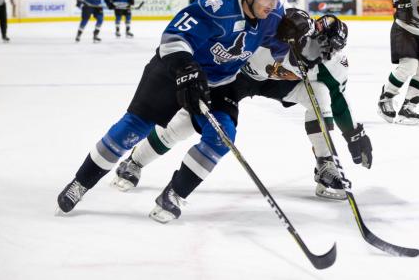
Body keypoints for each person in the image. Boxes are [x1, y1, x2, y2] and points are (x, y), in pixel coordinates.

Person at [56, 0, 290, 220]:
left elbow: (283, 51)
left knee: (222, 137)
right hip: (175, 71)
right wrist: (186, 69)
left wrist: (301, 41)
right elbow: (173, 37)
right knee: (134, 128)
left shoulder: (274, 16)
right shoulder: (217, 7)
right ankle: (81, 182)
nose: (272, 4)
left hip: (220, 83)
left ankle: (174, 195)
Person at [112, 11, 373, 202]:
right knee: (186, 122)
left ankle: (325, 164)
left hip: (276, 85)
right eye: (313, 44)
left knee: (320, 94)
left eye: (324, 51)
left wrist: (354, 135)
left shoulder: (333, 64)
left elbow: (338, 101)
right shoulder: (282, 29)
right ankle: (135, 160)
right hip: (237, 77)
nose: (317, 52)